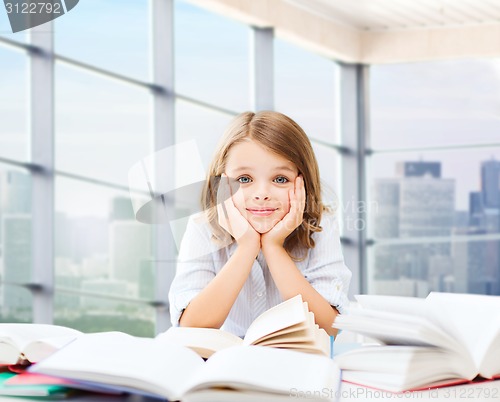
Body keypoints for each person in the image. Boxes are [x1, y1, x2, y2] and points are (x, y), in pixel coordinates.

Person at [168, 111, 351, 338]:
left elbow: (329, 326)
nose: (262, 194)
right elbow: (192, 325)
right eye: (244, 179)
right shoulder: (203, 227)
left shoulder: (320, 226)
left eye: (280, 179)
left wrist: (273, 247)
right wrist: (247, 246)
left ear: (303, 182)